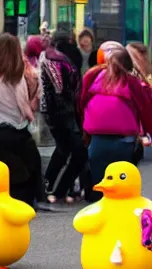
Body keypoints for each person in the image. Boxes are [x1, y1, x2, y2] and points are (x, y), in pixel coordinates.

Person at [0, 33, 44, 207]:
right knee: (30, 164)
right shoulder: (19, 73)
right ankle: (28, 201)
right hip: (14, 128)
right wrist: (30, 112)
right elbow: (25, 104)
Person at [80, 49, 152, 202]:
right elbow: (145, 108)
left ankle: (100, 203)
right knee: (121, 175)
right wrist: (148, 130)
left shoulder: (93, 76)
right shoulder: (132, 82)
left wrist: (82, 126)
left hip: (97, 138)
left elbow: (82, 100)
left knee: (99, 177)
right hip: (124, 139)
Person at [41, 31, 87, 204]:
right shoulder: (58, 59)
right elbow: (61, 89)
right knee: (75, 151)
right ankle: (56, 188)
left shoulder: (53, 57)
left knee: (64, 150)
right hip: (63, 112)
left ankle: (51, 187)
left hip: (59, 112)